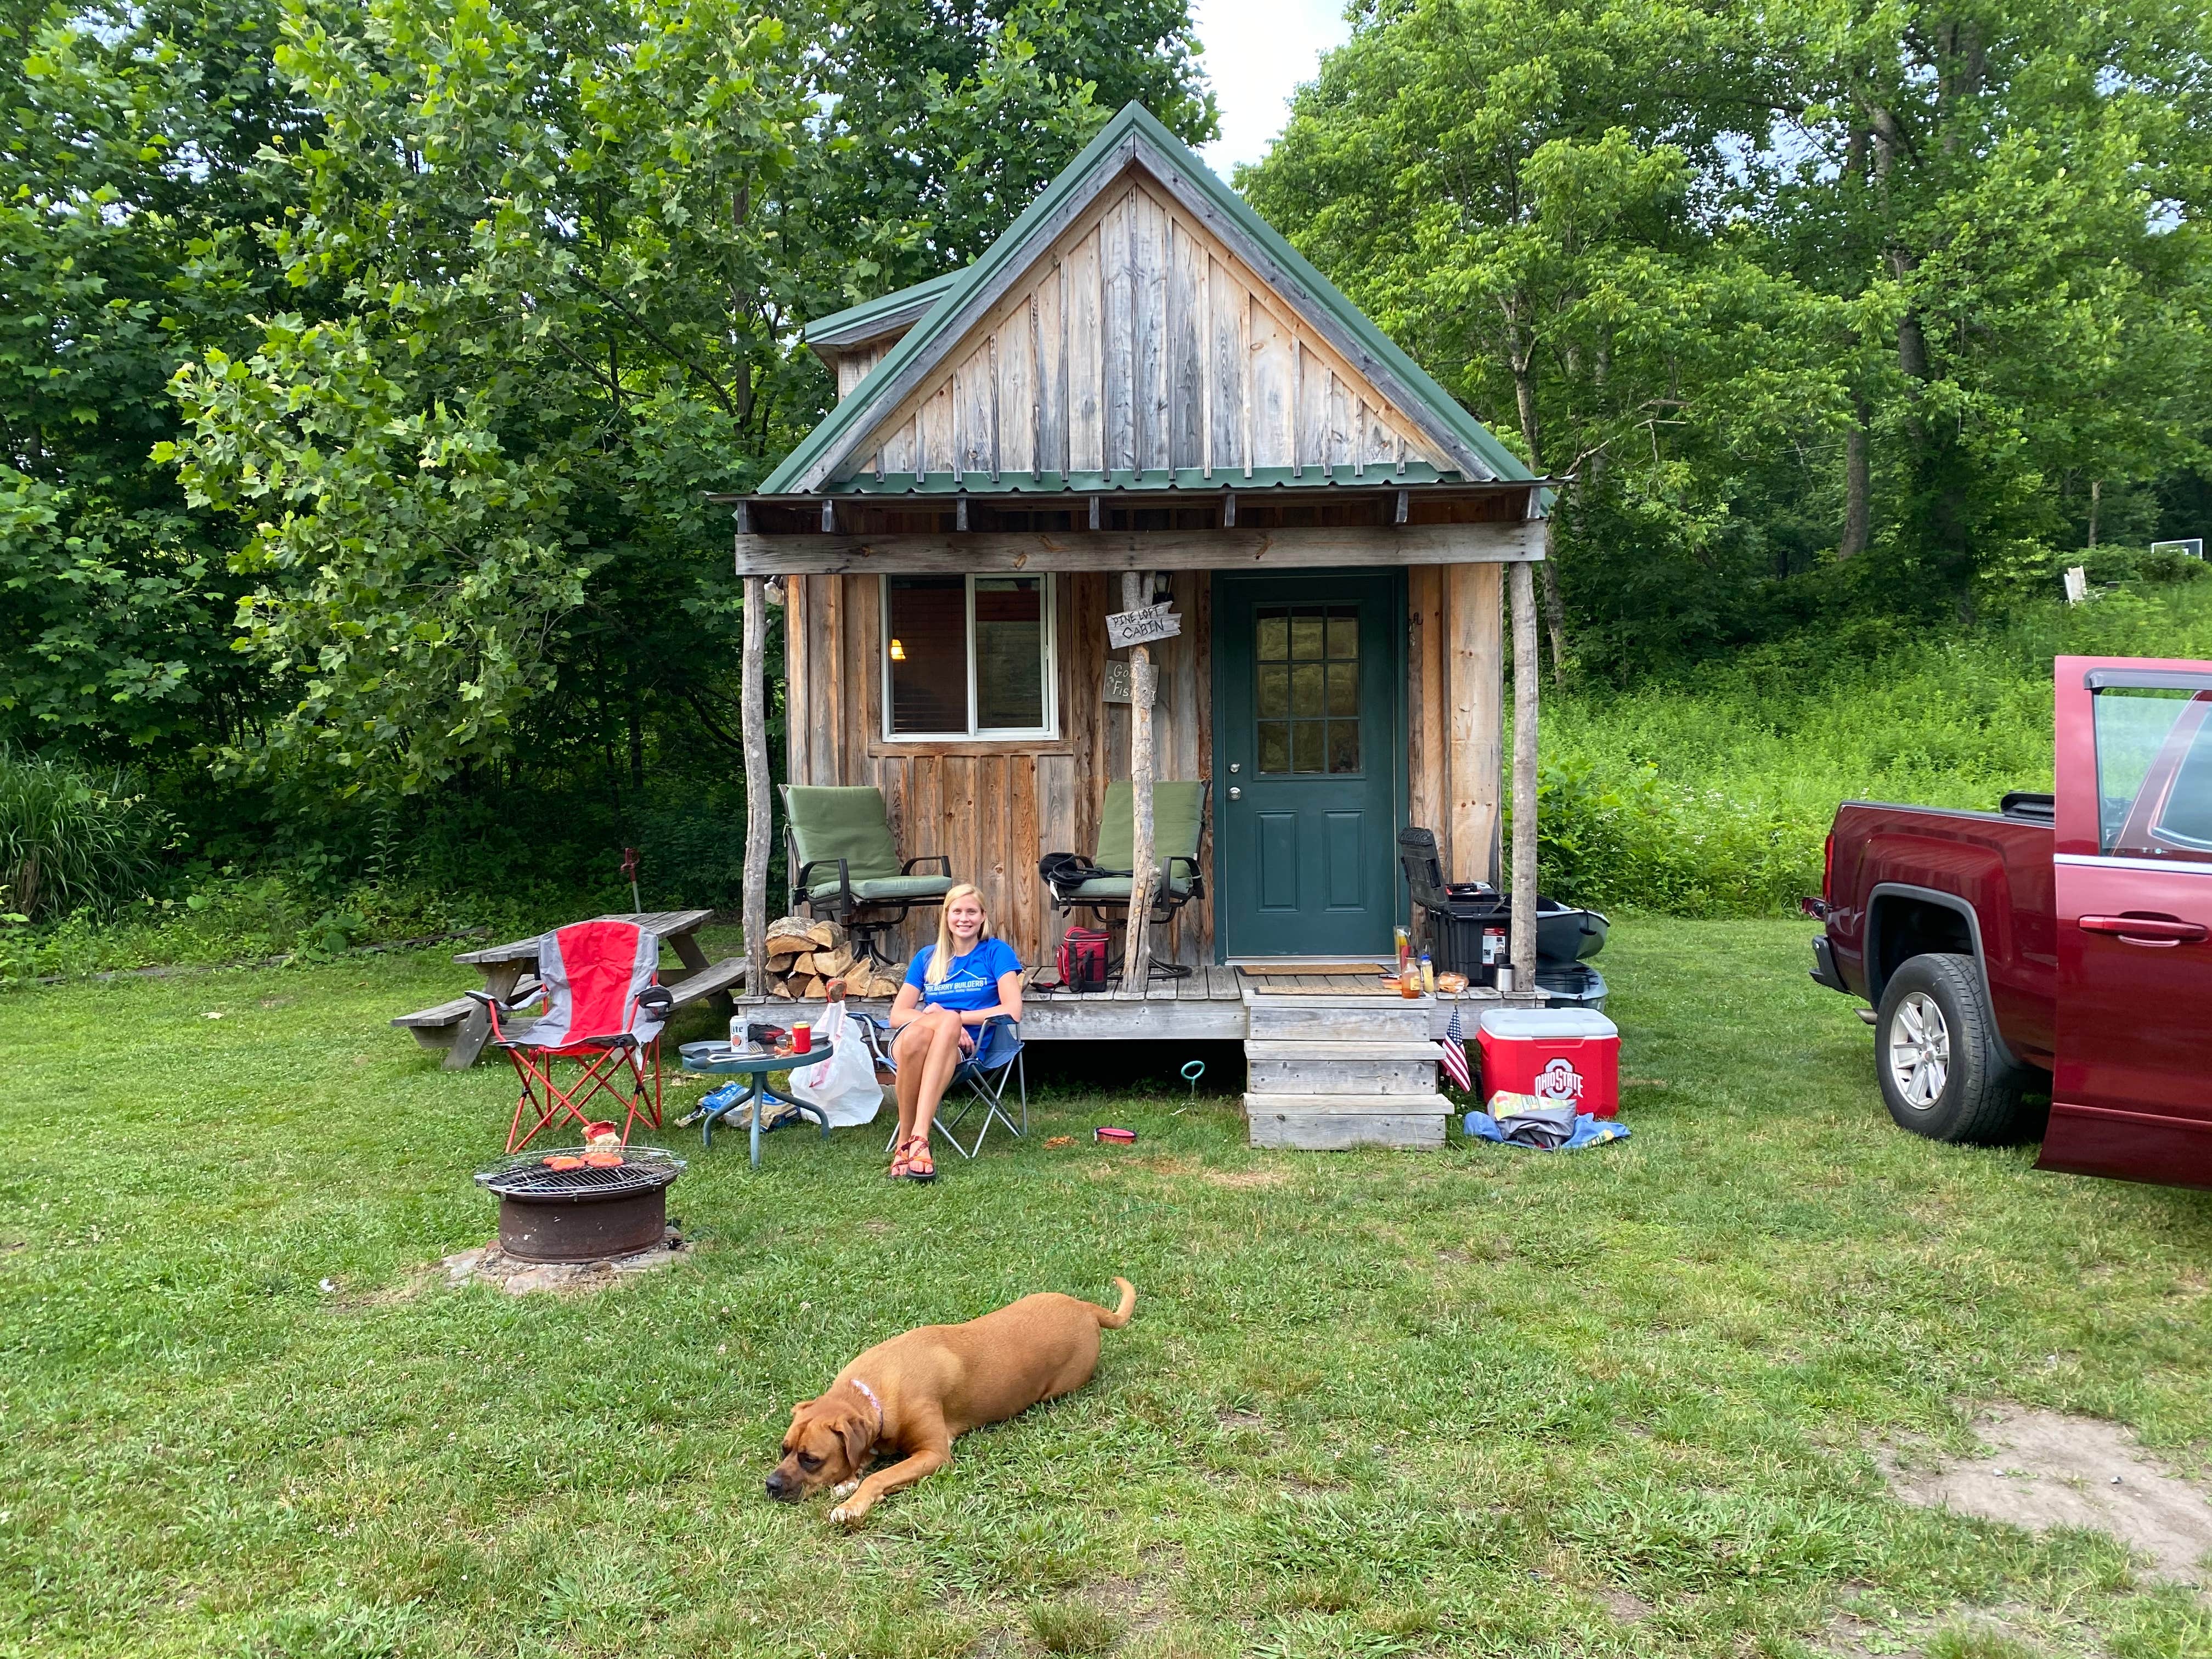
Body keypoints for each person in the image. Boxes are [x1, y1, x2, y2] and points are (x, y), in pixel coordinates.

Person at [884, 884, 1022, 1181]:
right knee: (936, 1026)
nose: (964, 918)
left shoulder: (996, 952)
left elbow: (1012, 1011)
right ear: (946, 916)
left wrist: (956, 1018)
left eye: (972, 912)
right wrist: (940, 1019)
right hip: (912, 1038)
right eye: (957, 911)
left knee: (946, 1021)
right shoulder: (927, 957)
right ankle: (918, 1138)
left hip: (965, 1047)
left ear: (983, 916)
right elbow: (898, 1015)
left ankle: (905, 1143)